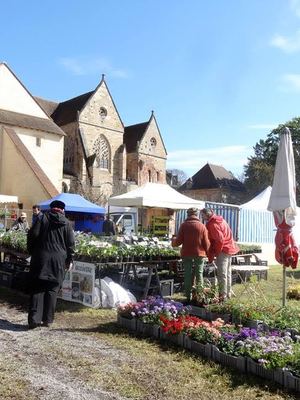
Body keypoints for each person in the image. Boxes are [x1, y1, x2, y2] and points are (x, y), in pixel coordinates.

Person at [27, 200, 75, 329]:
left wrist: (32, 251)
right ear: (62, 210)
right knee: (52, 289)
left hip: (40, 258)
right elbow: (71, 244)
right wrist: (69, 259)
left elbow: (32, 235)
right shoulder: (67, 223)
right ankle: (47, 320)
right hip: (58, 260)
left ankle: (34, 319)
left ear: (51, 208)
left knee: (37, 287)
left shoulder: (42, 218)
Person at [171, 207, 210, 301]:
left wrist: (173, 241)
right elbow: (206, 243)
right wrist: (209, 253)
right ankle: (199, 295)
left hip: (186, 253)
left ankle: (188, 296)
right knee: (199, 274)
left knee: (187, 274)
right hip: (199, 253)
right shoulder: (202, 226)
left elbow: (178, 242)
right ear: (197, 215)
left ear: (187, 214)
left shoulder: (184, 225)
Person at [201, 208, 239, 301]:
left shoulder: (213, 224)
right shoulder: (221, 220)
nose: (202, 217)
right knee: (227, 273)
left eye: (202, 215)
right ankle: (228, 293)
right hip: (229, 248)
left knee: (222, 274)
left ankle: (223, 296)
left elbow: (219, 240)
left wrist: (216, 252)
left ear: (206, 215)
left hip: (223, 249)